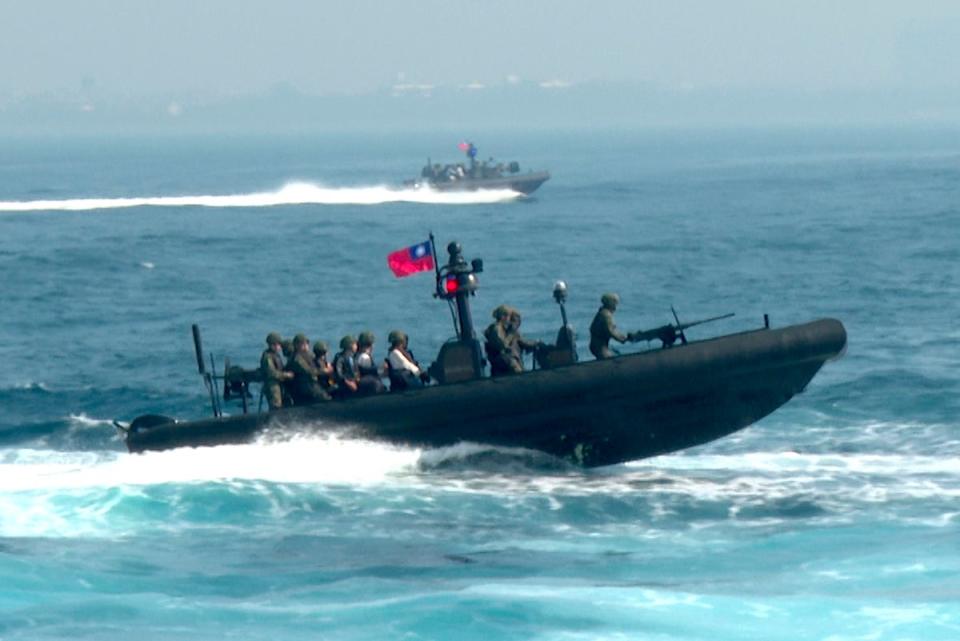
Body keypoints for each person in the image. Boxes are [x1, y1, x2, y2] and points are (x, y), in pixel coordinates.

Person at [286, 334, 331, 404]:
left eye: (306, 343)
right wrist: (323, 371)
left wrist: (326, 364)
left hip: (312, 381)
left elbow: (316, 361)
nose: (305, 346)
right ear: (296, 345)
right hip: (304, 383)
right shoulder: (296, 358)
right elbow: (308, 371)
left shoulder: (308, 354)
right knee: (324, 397)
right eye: (302, 344)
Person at [589, 292, 630, 359]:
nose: (616, 305)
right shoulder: (606, 315)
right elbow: (611, 331)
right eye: (615, 303)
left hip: (597, 345)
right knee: (610, 360)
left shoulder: (602, 313)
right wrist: (623, 338)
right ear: (611, 303)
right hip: (599, 346)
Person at [484, 304, 521, 376]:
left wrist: (537, 343)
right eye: (508, 316)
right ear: (502, 316)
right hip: (500, 360)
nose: (509, 319)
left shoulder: (505, 329)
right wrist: (511, 334)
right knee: (513, 364)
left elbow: (521, 341)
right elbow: (502, 345)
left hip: (503, 359)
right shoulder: (496, 328)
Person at [260, 332, 293, 410]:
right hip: (272, 384)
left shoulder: (276, 355)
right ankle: (273, 420)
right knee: (276, 405)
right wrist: (286, 375)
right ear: (272, 345)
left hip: (279, 382)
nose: (279, 347)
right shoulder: (267, 357)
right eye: (278, 344)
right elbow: (271, 373)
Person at [355, 331, 386, 395]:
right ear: (371, 344)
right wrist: (382, 368)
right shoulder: (364, 357)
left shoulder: (358, 355)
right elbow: (367, 372)